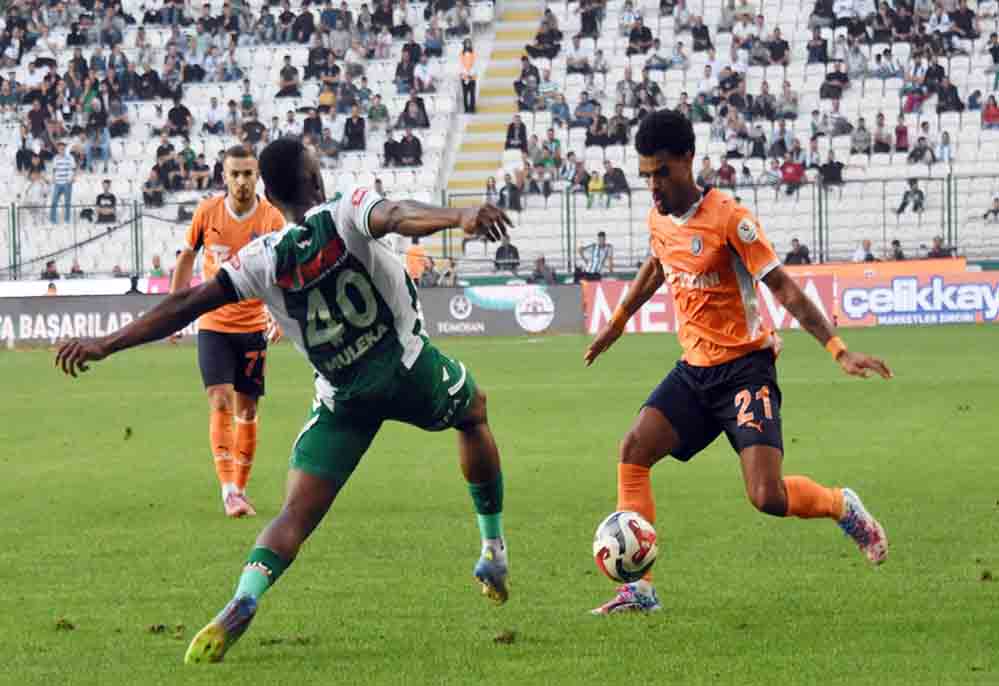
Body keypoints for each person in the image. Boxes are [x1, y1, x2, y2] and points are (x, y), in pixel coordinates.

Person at [54, 139, 515, 664]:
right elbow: (396, 214)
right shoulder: (347, 210)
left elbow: (186, 303)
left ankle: (244, 596)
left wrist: (105, 344)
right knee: (474, 412)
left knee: (294, 513)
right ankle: (493, 551)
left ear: (270, 196)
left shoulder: (262, 257)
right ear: (316, 180)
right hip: (408, 369)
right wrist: (459, 216)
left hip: (343, 398)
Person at [584, 109, 891, 616]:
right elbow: (657, 263)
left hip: (746, 369)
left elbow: (784, 288)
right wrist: (617, 321)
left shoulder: (731, 219)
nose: (653, 186)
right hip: (694, 371)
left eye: (662, 172)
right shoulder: (658, 217)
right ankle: (640, 589)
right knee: (634, 449)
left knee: (767, 496)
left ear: (688, 159)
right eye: (646, 175)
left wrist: (838, 349)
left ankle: (842, 505)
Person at [169, 145, 287, 518]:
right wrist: (175, 310)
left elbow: (284, 273)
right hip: (213, 323)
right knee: (219, 399)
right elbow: (186, 258)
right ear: (224, 176)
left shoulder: (271, 219)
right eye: (234, 174)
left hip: (252, 327)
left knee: (246, 410)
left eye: (247, 173)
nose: (241, 181)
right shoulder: (207, 213)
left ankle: (240, 486)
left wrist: (280, 315)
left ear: (257, 176)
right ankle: (229, 491)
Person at [50, 141, 75, 225]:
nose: (61, 150)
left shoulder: (70, 158)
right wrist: (53, 178)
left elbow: (73, 168)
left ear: (65, 149)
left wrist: (71, 178)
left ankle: (67, 220)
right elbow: (54, 169)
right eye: (60, 149)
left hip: (67, 183)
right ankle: (52, 219)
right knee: (54, 202)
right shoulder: (55, 158)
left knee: (67, 202)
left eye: (63, 148)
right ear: (58, 149)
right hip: (57, 183)